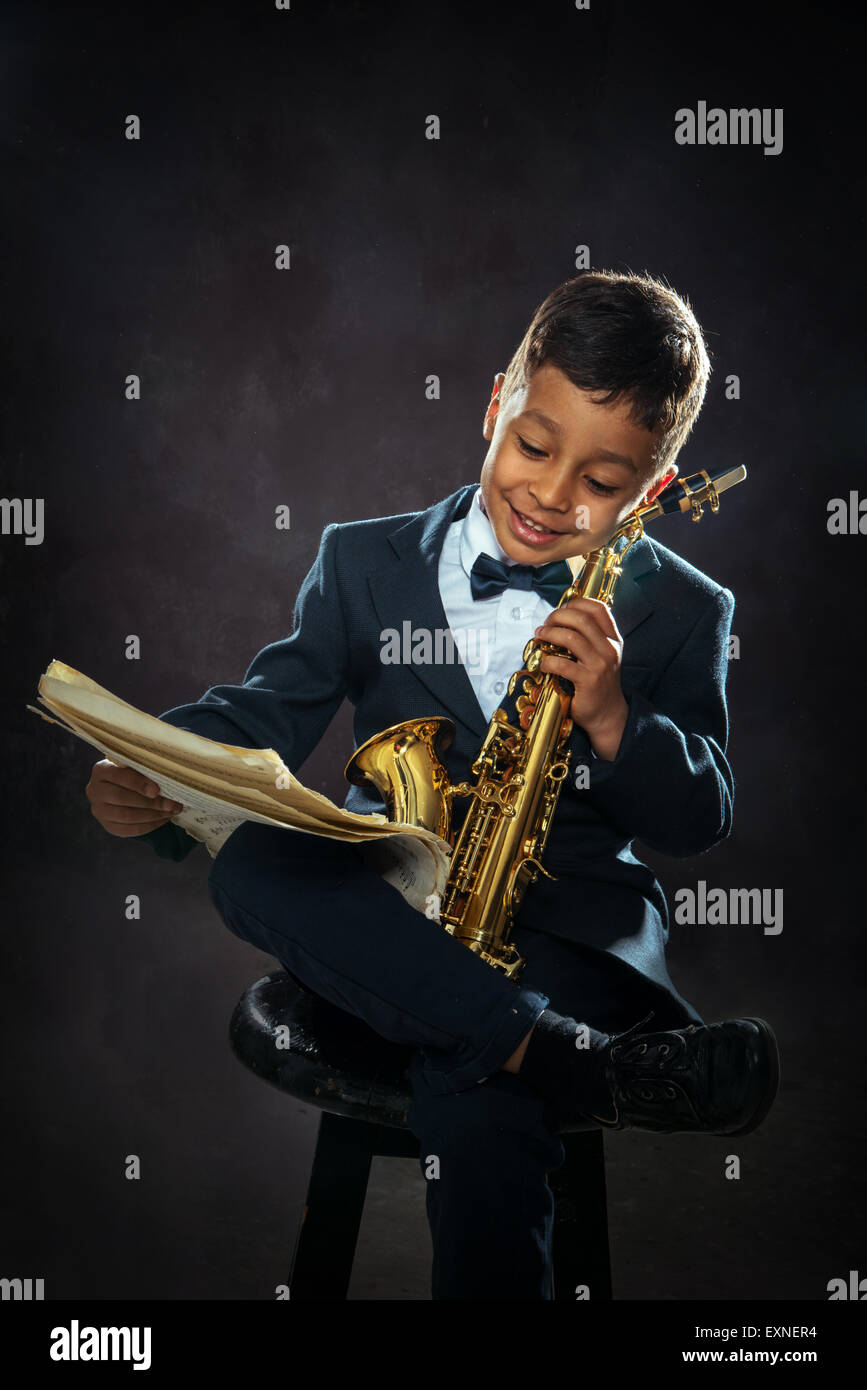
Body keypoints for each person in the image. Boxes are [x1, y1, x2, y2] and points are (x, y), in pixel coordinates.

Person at [85, 269, 780, 1300]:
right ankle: (573, 1063)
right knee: (251, 868)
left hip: (563, 943)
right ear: (496, 403)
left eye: (602, 480)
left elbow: (700, 816)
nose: (551, 495)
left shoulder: (685, 607)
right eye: (535, 447)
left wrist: (615, 719)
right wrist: (153, 767)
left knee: (481, 1087)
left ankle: (523, 1046)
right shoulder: (361, 564)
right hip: (389, 920)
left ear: (653, 487)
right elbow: (259, 714)